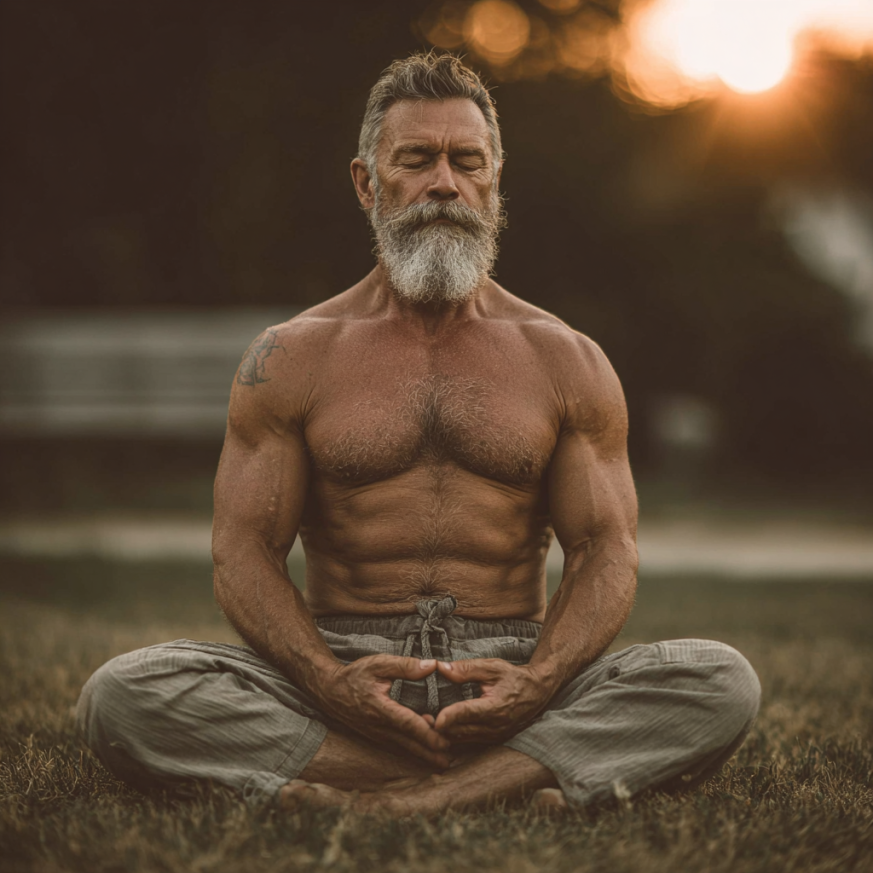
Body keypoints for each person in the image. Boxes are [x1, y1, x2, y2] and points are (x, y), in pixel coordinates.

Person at [76, 52, 760, 816]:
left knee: (717, 676)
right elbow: (243, 552)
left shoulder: (564, 358)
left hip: (514, 670)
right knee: (121, 694)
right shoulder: (294, 355)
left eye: (467, 162)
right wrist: (327, 679)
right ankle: (505, 780)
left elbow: (605, 550)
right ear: (368, 183)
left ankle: (383, 794)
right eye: (416, 160)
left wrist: (536, 681)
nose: (444, 183)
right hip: (338, 667)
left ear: (494, 182)